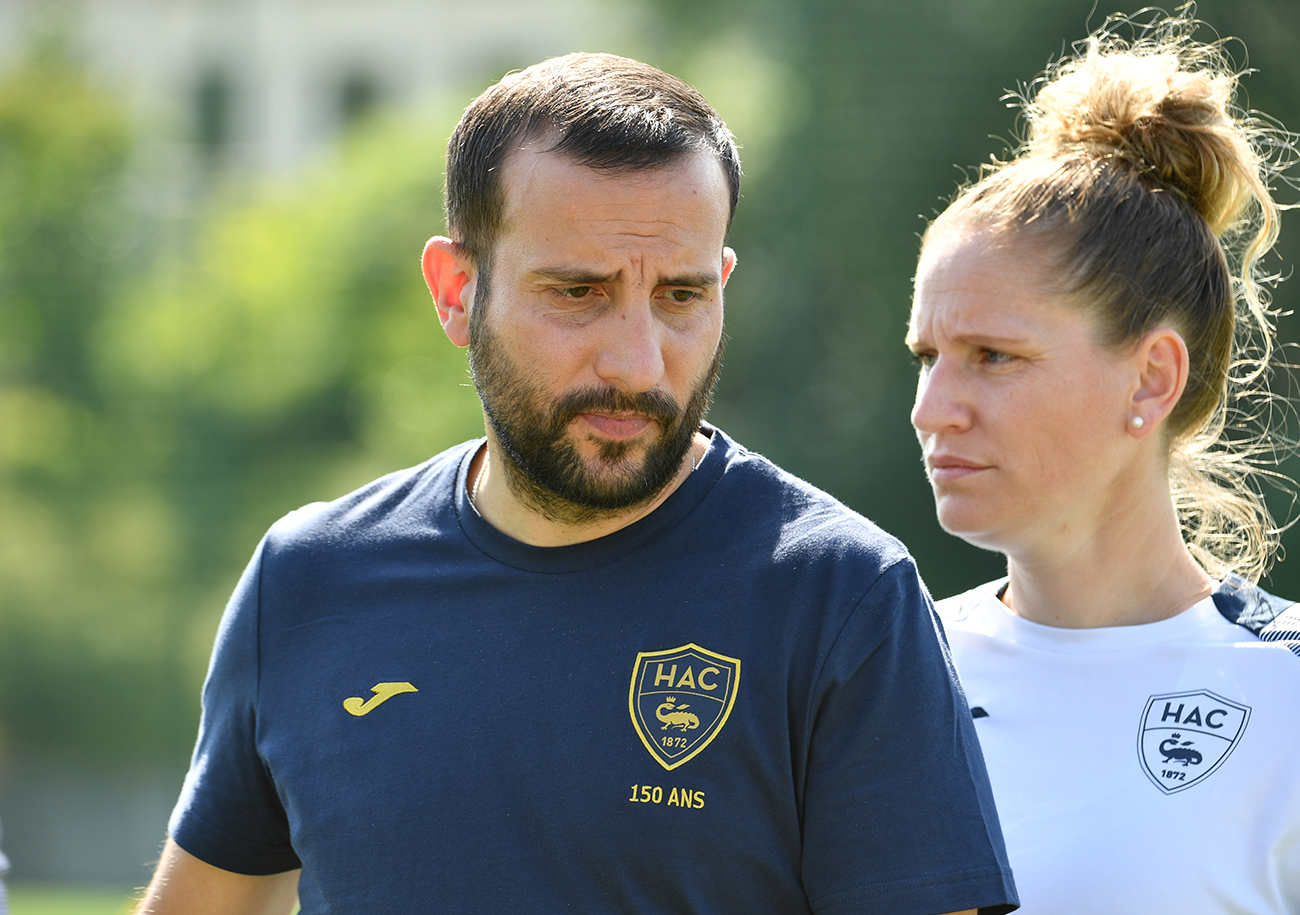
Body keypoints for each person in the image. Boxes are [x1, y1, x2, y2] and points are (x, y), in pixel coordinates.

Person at [134, 53, 1018, 915]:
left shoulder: (841, 596)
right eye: (577, 293)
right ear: (455, 290)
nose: (637, 361)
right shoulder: (308, 579)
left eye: (680, 295)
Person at [905, 10, 1300, 914]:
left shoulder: (1286, 691)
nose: (932, 409)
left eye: (993, 356)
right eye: (927, 357)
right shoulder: (881, 672)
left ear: (1152, 377)